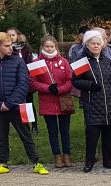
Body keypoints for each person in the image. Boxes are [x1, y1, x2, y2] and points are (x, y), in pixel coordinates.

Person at [0, 32, 47, 175]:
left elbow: (23, 84)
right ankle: (3, 163)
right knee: (1, 136)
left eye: (11, 45)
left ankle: (36, 163)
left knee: (26, 135)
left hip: (18, 106)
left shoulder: (18, 61)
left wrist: (10, 103)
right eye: (6, 46)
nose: (11, 48)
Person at [72, 29, 111, 172]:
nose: (96, 46)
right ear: (87, 45)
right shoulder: (82, 62)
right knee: (92, 135)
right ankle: (89, 161)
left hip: (109, 104)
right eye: (93, 43)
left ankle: (107, 160)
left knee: (108, 135)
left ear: (102, 45)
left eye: (98, 43)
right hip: (92, 103)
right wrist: (90, 85)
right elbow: (75, 81)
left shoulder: (108, 61)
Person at [29, 35, 75, 168]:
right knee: (52, 131)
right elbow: (32, 82)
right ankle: (57, 156)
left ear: (56, 47)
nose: (49, 49)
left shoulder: (64, 62)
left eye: (52, 46)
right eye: (47, 46)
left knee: (65, 130)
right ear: (42, 47)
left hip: (63, 100)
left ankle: (67, 155)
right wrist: (48, 88)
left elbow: (70, 80)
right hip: (47, 101)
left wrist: (60, 89)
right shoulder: (37, 62)